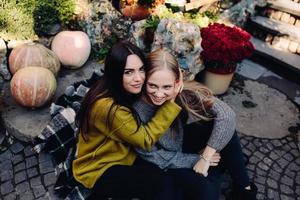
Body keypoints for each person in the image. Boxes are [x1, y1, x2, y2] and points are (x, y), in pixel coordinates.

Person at [134, 49, 257, 200]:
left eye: (166, 87)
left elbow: (227, 115)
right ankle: (222, 166)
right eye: (152, 86)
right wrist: (196, 159)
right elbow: (151, 155)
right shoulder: (137, 107)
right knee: (206, 192)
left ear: (177, 83)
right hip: (167, 160)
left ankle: (244, 189)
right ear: (144, 80)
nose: (159, 94)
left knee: (224, 129)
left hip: (183, 140)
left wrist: (205, 157)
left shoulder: (184, 91)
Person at [72, 41, 182, 200]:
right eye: (128, 72)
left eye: (141, 70)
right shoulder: (109, 108)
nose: (138, 78)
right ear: (116, 73)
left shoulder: (119, 88)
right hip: (100, 169)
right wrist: (170, 102)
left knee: (168, 182)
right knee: (160, 183)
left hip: (124, 155)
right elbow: (145, 140)